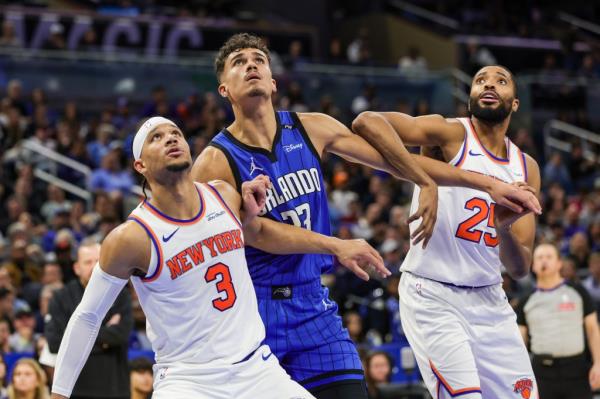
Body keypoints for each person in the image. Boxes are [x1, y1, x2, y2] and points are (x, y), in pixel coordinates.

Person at [192, 34, 541, 399]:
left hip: (313, 304)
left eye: (258, 60)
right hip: (256, 306)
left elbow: (392, 163)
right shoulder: (214, 162)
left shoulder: (312, 127)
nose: (251, 65)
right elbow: (255, 232)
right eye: (239, 62)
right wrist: (337, 244)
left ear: (274, 80)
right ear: (224, 89)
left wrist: (470, 184)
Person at [50, 116, 386, 399]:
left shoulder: (225, 195)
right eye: (156, 138)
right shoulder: (131, 237)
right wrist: (59, 393)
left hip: (256, 368)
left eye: (175, 134)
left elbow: (259, 234)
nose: (170, 139)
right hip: (188, 381)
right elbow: (88, 317)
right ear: (140, 165)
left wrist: (252, 216)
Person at [352, 65, 542, 397]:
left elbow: (520, 267)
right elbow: (366, 122)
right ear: (469, 97)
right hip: (433, 293)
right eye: (480, 80)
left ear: (515, 104)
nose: (488, 85)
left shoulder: (526, 167)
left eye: (501, 81)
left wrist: (503, 227)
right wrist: (424, 180)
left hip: (490, 298)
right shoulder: (451, 133)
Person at [45, 239, 132, 399]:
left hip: (115, 390)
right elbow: (55, 342)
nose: (94, 267)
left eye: (99, 261)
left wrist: (77, 335)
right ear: (76, 268)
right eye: (88, 262)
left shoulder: (121, 295)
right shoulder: (60, 297)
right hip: (73, 391)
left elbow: (122, 335)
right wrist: (105, 336)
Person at [516, 243, 600, 399]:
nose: (544, 261)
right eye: (540, 258)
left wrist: (598, 363)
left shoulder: (577, 291)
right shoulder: (526, 300)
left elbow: (593, 330)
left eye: (549, 257)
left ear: (559, 263)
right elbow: (519, 341)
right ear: (533, 265)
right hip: (541, 373)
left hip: (577, 370)